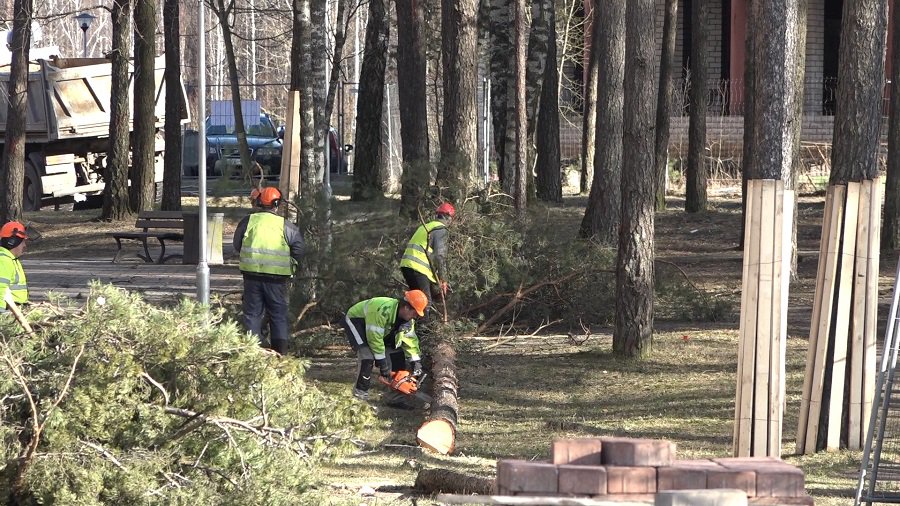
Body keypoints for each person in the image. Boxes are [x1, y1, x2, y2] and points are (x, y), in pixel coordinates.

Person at [233, 187, 303, 354]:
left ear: (259, 202)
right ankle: (280, 353)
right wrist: (291, 265)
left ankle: (254, 352)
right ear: (276, 204)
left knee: (252, 314)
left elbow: (237, 244)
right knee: (278, 315)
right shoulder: (286, 226)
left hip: (251, 276)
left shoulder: (247, 222)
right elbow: (299, 248)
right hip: (277, 279)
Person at [342, 290, 429, 401]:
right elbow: (374, 339)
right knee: (367, 357)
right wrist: (383, 364)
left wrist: (415, 362)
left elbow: (410, 341)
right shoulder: (382, 310)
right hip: (358, 321)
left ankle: (395, 398)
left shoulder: (407, 322)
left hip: (376, 329)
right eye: (415, 313)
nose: (416, 316)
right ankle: (359, 396)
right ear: (406, 307)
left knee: (396, 354)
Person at [399, 203, 455, 307]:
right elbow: (440, 255)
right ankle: (422, 323)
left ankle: (406, 321)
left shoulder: (426, 226)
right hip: (418, 268)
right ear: (448, 217)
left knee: (414, 301)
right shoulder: (440, 229)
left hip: (407, 265)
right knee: (425, 302)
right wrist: (443, 279)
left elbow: (428, 252)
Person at [0, 221, 29, 313]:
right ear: (13, 242)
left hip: (15, 311)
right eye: (22, 242)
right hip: (9, 312)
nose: (24, 246)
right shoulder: (4, 261)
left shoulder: (11, 259)